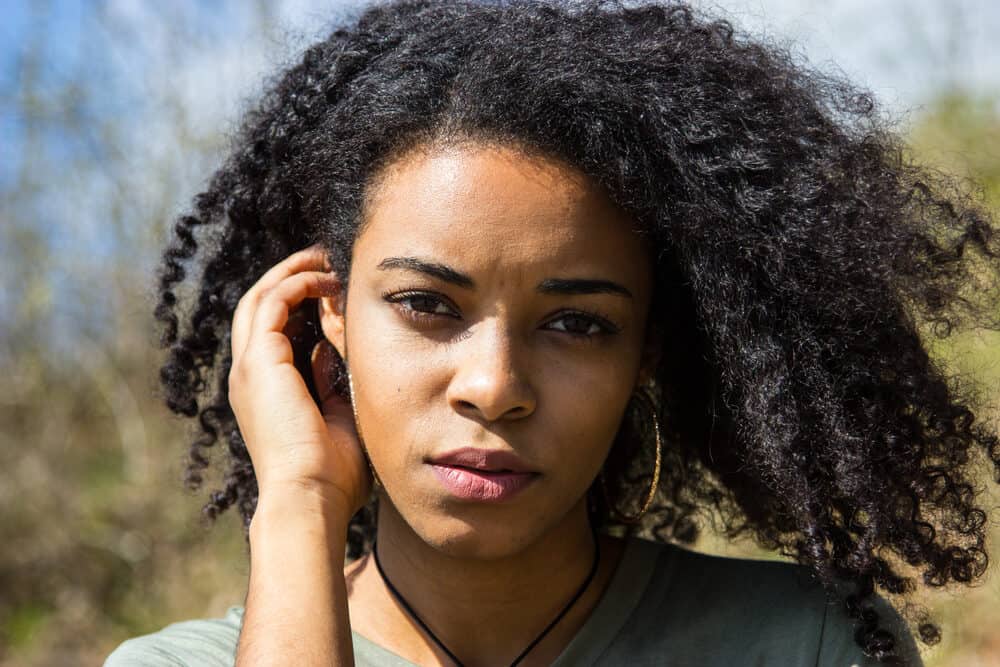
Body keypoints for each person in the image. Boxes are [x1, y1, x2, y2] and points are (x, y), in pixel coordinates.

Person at [104, 0, 1000, 665]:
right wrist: (296, 501)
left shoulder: (806, 645)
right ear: (325, 313)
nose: (494, 385)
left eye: (577, 322)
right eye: (427, 304)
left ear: (645, 349)